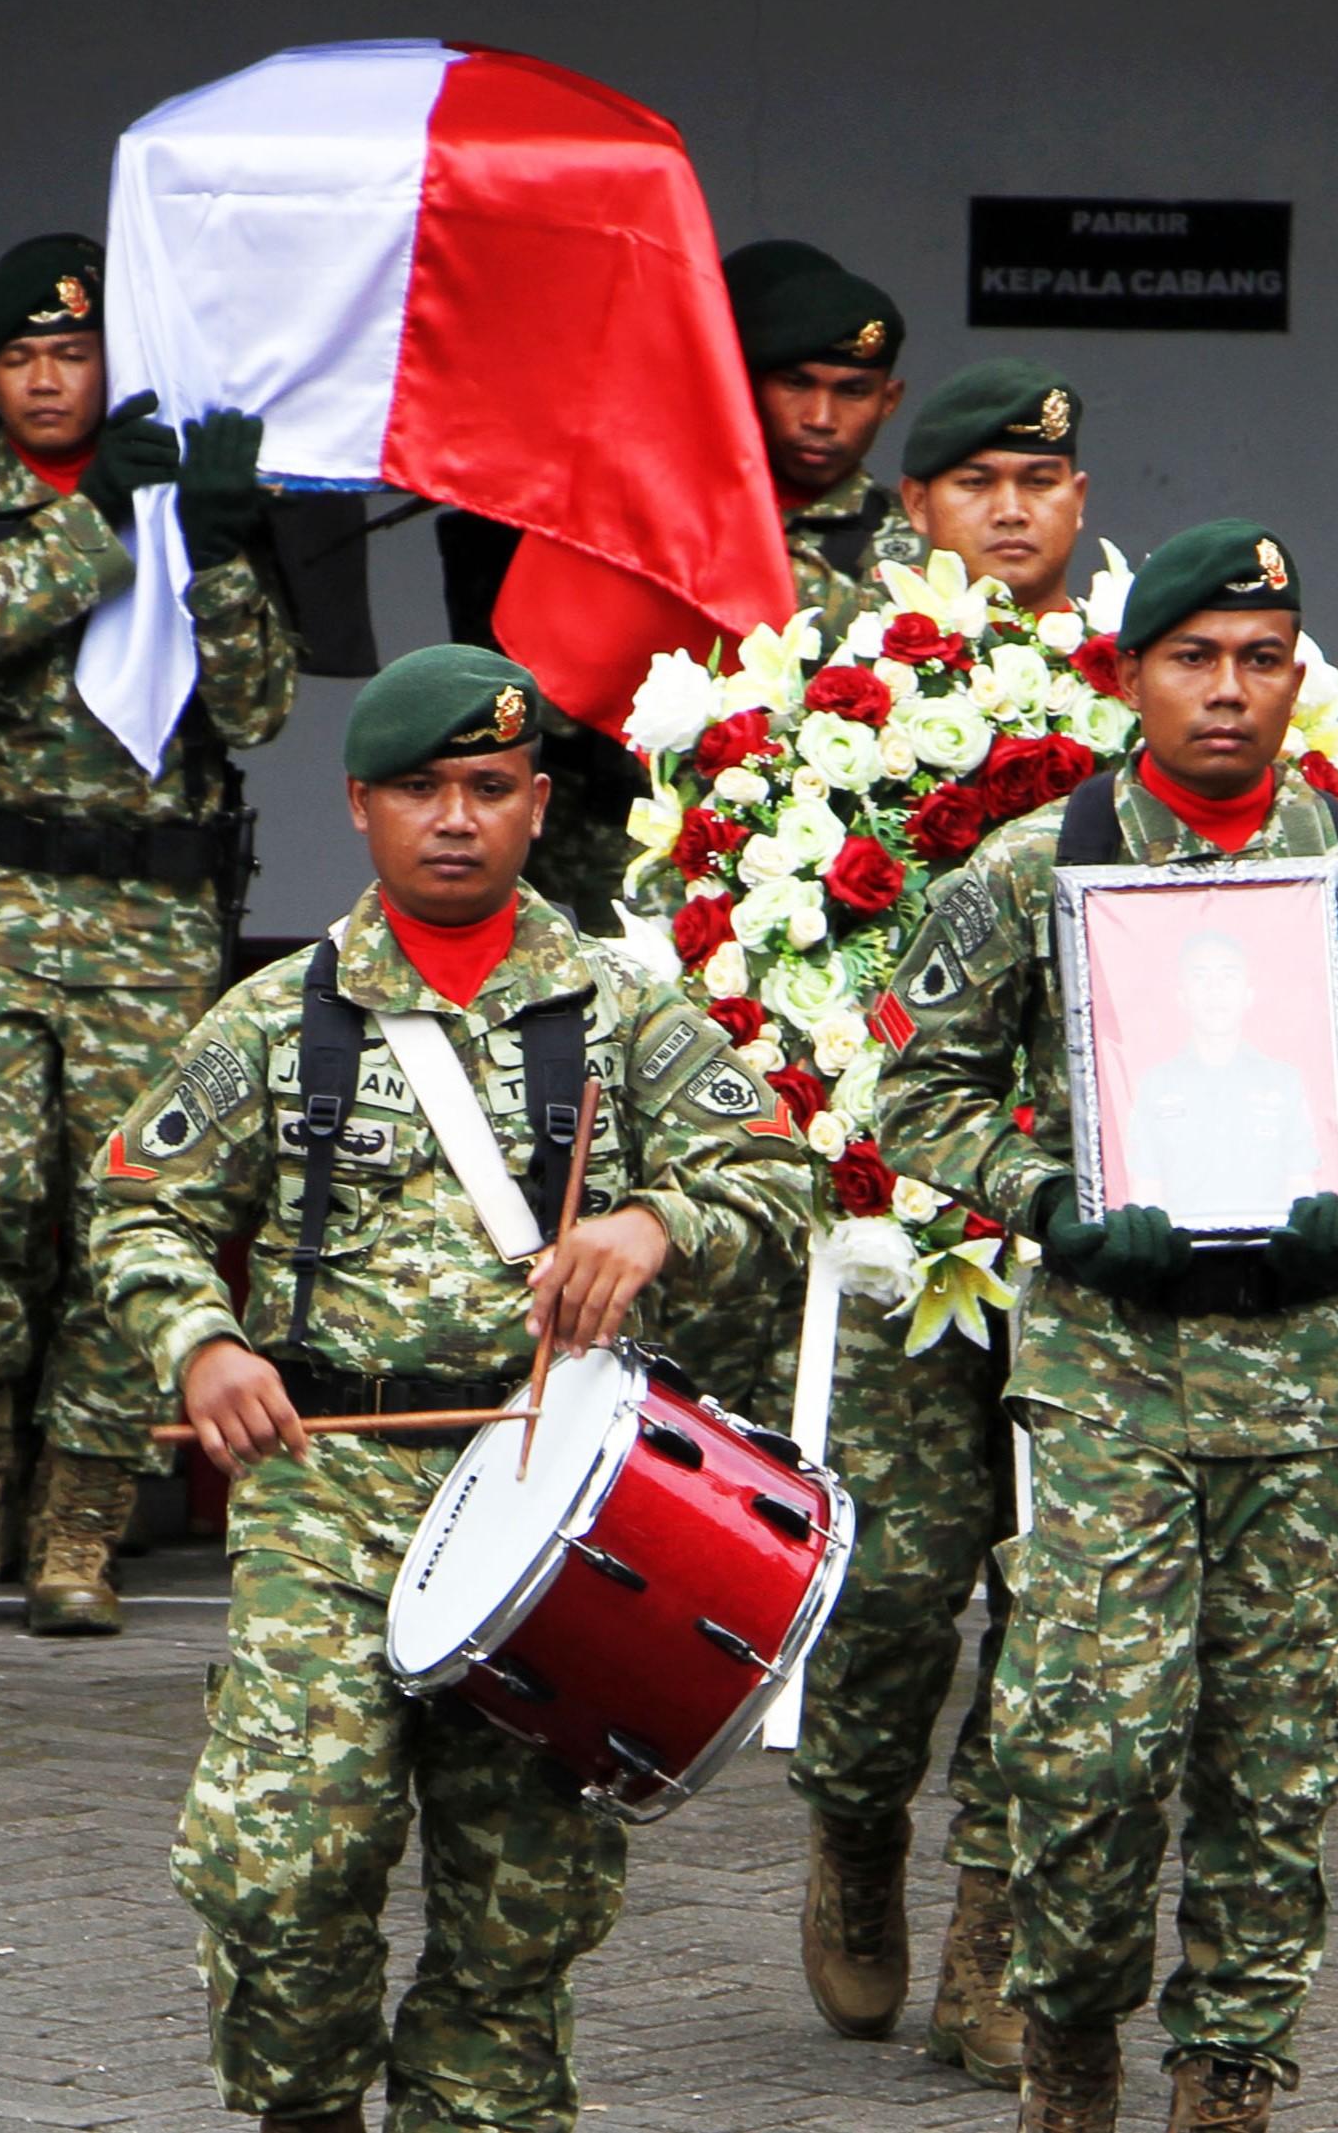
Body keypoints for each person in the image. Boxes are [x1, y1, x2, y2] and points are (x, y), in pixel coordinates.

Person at [89, 644, 805, 2133]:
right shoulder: (279, 1014)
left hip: (559, 1496)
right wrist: (202, 1344)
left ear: (540, 803)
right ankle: (302, 2106)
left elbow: (776, 1179)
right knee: (276, 1863)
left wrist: (653, 1220)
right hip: (327, 1478)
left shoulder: (619, 1009)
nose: (456, 817)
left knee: (517, 1908)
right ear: (358, 805)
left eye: (489, 785)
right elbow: (135, 1202)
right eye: (420, 787)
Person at [879, 520, 1338, 2131]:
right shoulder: (1031, 874)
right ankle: (1070, 2028)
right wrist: (1044, 1193)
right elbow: (917, 1091)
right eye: (1193, 658)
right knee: (1085, 1751)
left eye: (1259, 658)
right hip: (1106, 1383)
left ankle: (1230, 2069)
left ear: (1296, 674)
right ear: (1130, 672)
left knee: (1276, 1760)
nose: (1229, 692)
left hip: (1298, 1385)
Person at [0, 232, 301, 1634]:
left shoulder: (188, 485)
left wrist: (225, 552)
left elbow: (258, 712)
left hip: (153, 899)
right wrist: (94, 523)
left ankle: (79, 1512)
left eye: (72, 353)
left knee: (127, 1204)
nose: (48, 379)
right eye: (20, 358)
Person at [724, 238, 927, 638]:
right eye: (797, 384)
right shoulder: (674, 509)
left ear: (889, 400)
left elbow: (902, 644)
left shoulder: (917, 533)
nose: (821, 419)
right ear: (747, 386)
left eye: (852, 391)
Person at [1121, 930, 1321, 1226]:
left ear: (1248, 995)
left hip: (1269, 1252)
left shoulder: (1283, 1082)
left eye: (1228, 976)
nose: (1215, 989)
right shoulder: (1155, 1085)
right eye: (1200, 977)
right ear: (1182, 997)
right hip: (1179, 1253)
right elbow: (1146, 1190)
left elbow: (1301, 1185)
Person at [900, 359, 1089, 619]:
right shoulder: (862, 658)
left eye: (1040, 482)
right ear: (918, 504)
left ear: (1078, 500)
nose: (1010, 512)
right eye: (975, 483)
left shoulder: (1131, 658)